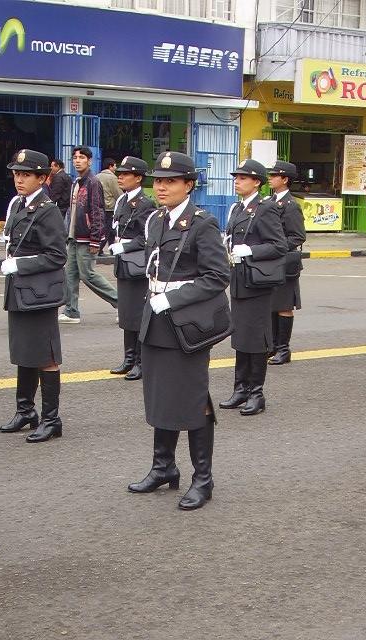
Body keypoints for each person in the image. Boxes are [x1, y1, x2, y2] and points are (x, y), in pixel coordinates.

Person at [128, 151, 230, 510]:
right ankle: (164, 467)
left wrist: (174, 298)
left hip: (185, 325)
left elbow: (218, 277)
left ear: (189, 185)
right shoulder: (155, 219)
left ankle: (203, 479)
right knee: (160, 395)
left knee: (192, 398)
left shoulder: (202, 223)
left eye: (170, 181)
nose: (162, 187)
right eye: (158, 181)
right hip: (155, 320)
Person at [0, 149, 67, 443]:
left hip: (39, 292)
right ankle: (25, 411)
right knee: (23, 351)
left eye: (26, 175)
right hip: (21, 290)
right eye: (16, 173)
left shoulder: (47, 209)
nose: (19, 179)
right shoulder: (20, 206)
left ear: (43, 177)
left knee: (45, 355)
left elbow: (57, 255)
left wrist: (20, 264)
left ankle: (52, 419)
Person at [219, 159, 287, 416]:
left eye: (243, 177)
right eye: (236, 177)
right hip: (239, 279)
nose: (237, 181)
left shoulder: (265, 208)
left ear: (256, 181)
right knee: (241, 336)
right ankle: (241, 388)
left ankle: (256, 393)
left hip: (257, 283)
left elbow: (279, 245)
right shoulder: (237, 208)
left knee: (256, 339)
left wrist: (251, 250)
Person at [58, 146, 118, 324]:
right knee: (69, 274)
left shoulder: (93, 182)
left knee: (88, 274)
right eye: (75, 157)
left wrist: (95, 239)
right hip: (74, 236)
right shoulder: (77, 182)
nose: (77, 160)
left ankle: (121, 303)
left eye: (82, 157)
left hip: (87, 238)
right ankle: (71, 310)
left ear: (89, 161)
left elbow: (97, 211)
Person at [109, 156, 155, 381]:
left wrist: (124, 245)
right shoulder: (122, 201)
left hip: (137, 264)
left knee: (137, 314)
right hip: (124, 264)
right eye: (120, 173)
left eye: (126, 174)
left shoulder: (146, 204)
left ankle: (140, 361)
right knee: (126, 313)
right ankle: (128, 358)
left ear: (138, 178)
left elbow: (146, 238)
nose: (121, 177)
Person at [266, 161, 306, 365]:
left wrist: (277, 246)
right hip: (271, 263)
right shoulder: (270, 201)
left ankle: (284, 349)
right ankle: (272, 346)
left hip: (284, 263)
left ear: (285, 180)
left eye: (275, 175)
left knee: (283, 306)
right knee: (272, 305)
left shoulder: (291, 206)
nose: (270, 178)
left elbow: (298, 236)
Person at [96, 157, 123, 254]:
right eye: (115, 165)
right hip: (110, 207)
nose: (116, 168)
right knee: (108, 229)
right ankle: (99, 249)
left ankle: (112, 249)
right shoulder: (112, 177)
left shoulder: (97, 176)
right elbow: (118, 193)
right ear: (110, 166)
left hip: (99, 206)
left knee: (110, 229)